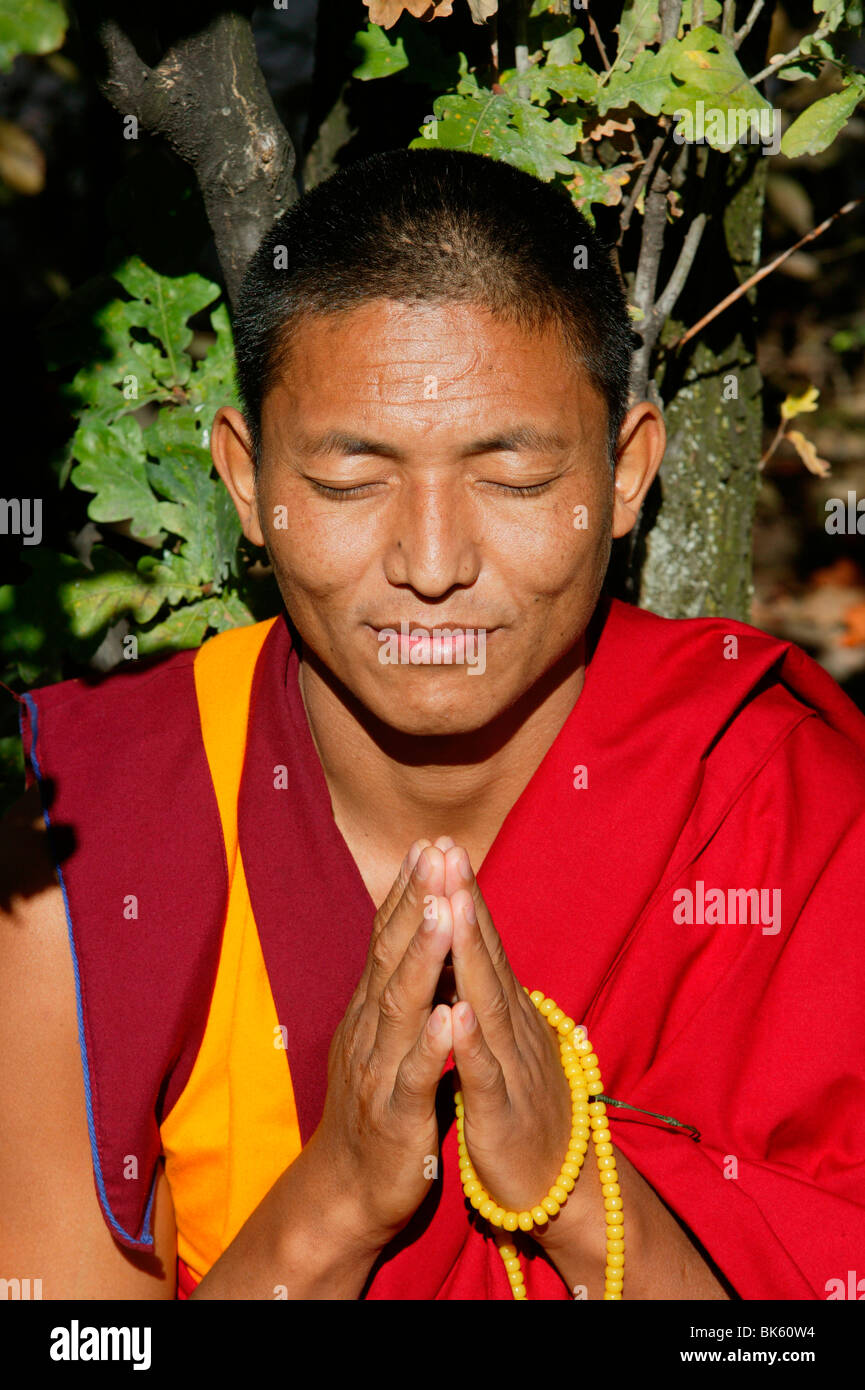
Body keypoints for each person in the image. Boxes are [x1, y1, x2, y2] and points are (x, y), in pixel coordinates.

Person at [2, 148, 864, 1302]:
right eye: (353, 480)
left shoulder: (774, 798)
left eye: (511, 478)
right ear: (247, 482)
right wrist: (338, 1200)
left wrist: (578, 1187)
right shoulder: (86, 846)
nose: (432, 564)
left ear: (625, 474)